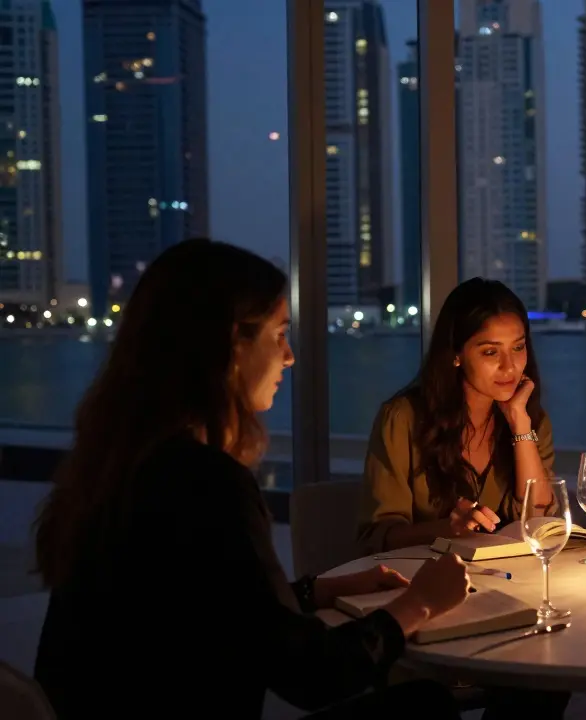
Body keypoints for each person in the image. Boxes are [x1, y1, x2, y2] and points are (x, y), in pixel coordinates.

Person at [32, 239, 471, 720]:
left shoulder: (121, 465)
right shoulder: (205, 483)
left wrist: (313, 593)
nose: (289, 357)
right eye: (279, 334)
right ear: (228, 346)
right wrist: (419, 603)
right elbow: (311, 675)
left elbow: (209, 611)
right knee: (425, 707)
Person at [358, 276, 570, 719]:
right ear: (456, 354)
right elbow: (375, 536)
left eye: (518, 347)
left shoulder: (529, 419)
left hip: (507, 598)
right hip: (426, 603)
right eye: (490, 352)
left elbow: (539, 518)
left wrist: (518, 423)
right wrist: (446, 529)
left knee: (550, 674)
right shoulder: (403, 419)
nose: (510, 367)